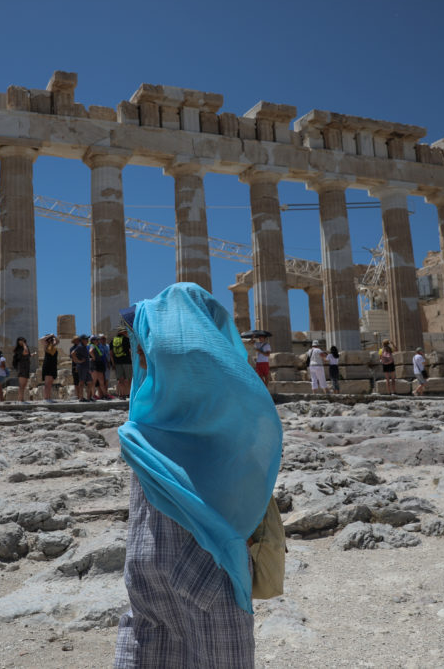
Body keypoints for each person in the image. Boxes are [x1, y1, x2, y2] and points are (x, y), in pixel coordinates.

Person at [114, 282, 282, 668]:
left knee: (147, 649)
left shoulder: (140, 426)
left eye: (145, 344)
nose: (140, 352)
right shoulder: (241, 420)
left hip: (144, 570)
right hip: (211, 569)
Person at [71, 334, 93, 402]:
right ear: (82, 340)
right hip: (82, 367)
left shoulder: (85, 347)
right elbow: (73, 353)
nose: (87, 340)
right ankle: (81, 398)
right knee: (82, 382)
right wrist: (78, 361)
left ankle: (89, 397)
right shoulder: (80, 346)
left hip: (86, 367)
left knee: (90, 382)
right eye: (86, 339)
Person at [111, 327, 132, 398]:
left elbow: (111, 353)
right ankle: (128, 394)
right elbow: (130, 351)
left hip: (117, 363)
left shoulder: (113, 340)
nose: (126, 333)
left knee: (120, 380)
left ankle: (122, 394)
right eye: (125, 332)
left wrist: (113, 363)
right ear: (123, 333)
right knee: (129, 379)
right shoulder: (126, 340)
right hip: (127, 362)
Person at [40, 334, 59, 401]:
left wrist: (54, 337)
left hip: (53, 365)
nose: (51, 340)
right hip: (47, 365)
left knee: (50, 383)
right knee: (47, 383)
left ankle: (49, 397)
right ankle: (45, 398)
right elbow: (41, 339)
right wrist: (51, 335)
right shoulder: (46, 345)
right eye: (50, 339)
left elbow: (57, 341)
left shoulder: (53, 346)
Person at [89, 335, 109, 400]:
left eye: (98, 340)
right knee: (94, 381)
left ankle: (105, 395)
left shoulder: (98, 346)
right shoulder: (92, 346)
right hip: (95, 365)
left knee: (101, 381)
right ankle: (93, 395)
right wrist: (94, 357)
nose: (98, 341)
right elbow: (90, 351)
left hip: (99, 364)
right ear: (93, 341)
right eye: (96, 340)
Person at [13, 336, 32, 402]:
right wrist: (24, 344)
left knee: (24, 384)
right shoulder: (19, 349)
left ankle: (20, 398)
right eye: (21, 340)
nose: (23, 341)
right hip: (22, 367)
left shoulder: (24, 348)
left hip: (26, 367)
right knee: (22, 384)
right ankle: (20, 399)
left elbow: (27, 355)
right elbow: (25, 352)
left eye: (23, 340)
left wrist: (32, 354)